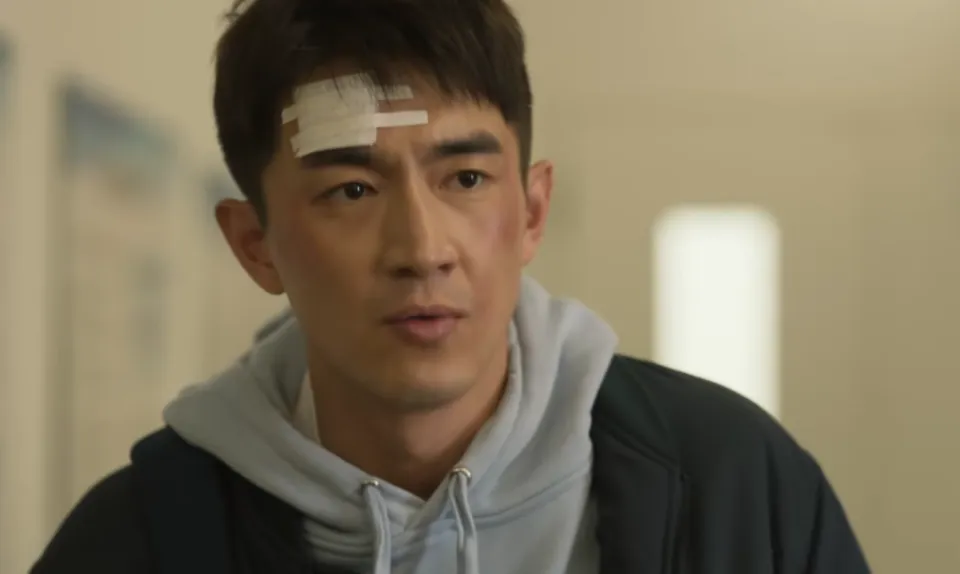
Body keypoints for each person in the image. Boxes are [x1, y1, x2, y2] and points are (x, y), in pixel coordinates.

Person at [32, 0, 870, 573]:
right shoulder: (134, 543)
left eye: (465, 179)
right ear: (256, 247)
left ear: (532, 211)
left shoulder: (735, 487)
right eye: (351, 190)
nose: (422, 249)